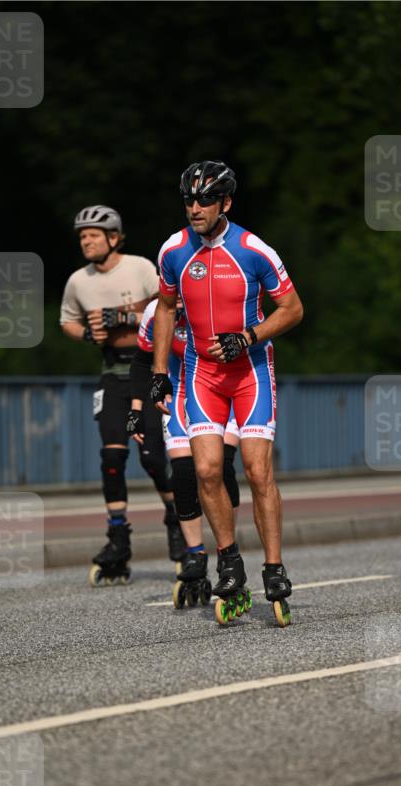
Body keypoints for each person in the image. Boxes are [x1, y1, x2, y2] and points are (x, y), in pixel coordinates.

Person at [150, 162, 303, 625]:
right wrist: (159, 371)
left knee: (258, 471)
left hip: (250, 372)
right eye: (189, 200)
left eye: (205, 200)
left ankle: (273, 569)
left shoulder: (254, 249)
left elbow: (293, 309)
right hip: (200, 375)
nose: (195, 208)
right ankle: (230, 561)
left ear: (226, 203)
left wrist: (250, 336)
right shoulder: (173, 251)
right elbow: (165, 307)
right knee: (207, 470)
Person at [60, 204, 184, 584]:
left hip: (146, 370)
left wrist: (124, 316)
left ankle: (176, 522)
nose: (86, 241)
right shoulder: (78, 281)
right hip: (112, 375)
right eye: (82, 236)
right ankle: (118, 539)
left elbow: (171, 306)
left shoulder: (141, 267)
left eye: (93, 235)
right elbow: (67, 319)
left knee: (151, 457)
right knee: (111, 457)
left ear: (114, 238)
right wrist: (86, 334)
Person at [127, 296, 240, 606]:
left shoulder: (216, 298)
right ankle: (195, 556)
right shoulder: (156, 311)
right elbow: (141, 360)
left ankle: (228, 555)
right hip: (181, 394)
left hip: (225, 391)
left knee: (221, 471)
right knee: (183, 475)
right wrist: (136, 410)